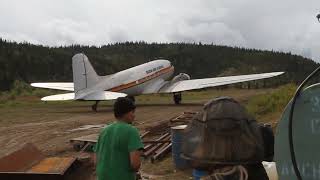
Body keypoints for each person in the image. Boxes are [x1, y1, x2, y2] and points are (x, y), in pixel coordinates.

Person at [93, 97, 144, 180]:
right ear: (126, 113)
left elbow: (96, 161)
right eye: (132, 112)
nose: (134, 115)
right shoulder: (131, 131)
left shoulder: (104, 131)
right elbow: (135, 164)